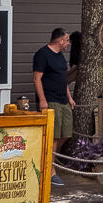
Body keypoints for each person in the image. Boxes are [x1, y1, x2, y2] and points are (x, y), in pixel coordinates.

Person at [32, 27, 74, 186]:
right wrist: (42, 100)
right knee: (54, 136)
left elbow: (63, 79)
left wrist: (70, 97)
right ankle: (50, 171)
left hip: (63, 99)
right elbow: (37, 79)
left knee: (65, 134)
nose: (68, 44)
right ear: (60, 40)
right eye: (67, 40)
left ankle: (49, 160)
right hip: (50, 100)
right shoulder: (42, 55)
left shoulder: (61, 57)